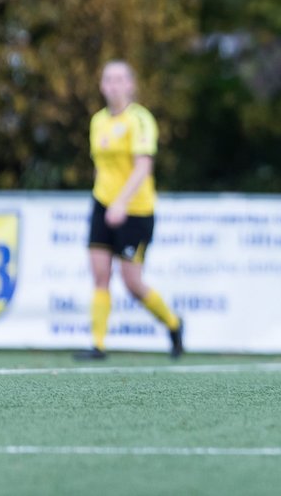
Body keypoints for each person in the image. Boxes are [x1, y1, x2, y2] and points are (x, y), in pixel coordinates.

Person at [75, 60, 184, 360]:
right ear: (101, 86)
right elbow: (102, 166)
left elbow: (143, 168)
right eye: (108, 79)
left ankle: (174, 325)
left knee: (132, 283)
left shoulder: (140, 120)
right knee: (99, 274)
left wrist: (121, 202)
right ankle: (98, 344)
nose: (113, 84)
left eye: (120, 79)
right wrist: (105, 200)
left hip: (135, 210)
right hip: (102, 205)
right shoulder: (97, 121)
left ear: (131, 85)